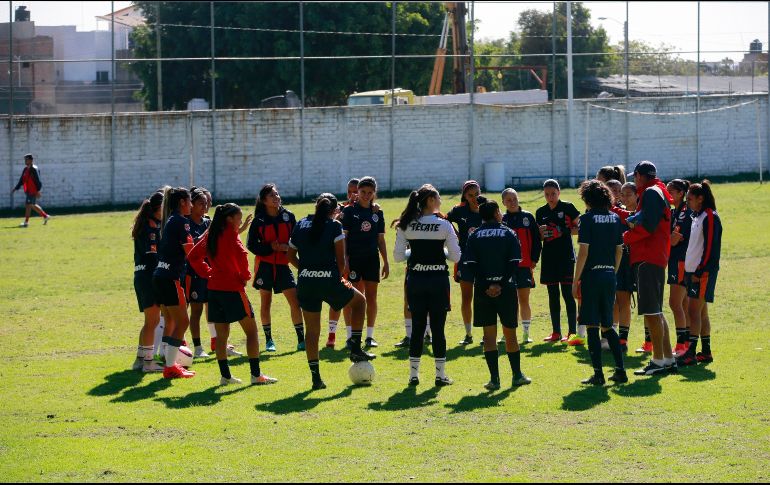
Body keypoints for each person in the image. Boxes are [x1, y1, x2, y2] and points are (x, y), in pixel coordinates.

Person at [288, 193, 375, 390]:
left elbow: (290, 255)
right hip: (329, 280)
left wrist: (305, 269)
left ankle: (316, 378)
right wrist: (336, 276)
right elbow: (342, 261)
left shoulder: (301, 224)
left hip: (306, 283)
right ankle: (355, 348)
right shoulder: (334, 226)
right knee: (360, 302)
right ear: (335, 210)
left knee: (312, 331)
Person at [187, 203, 278, 385]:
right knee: (252, 332)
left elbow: (192, 256)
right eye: (238, 218)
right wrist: (245, 276)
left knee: (221, 336)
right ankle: (256, 375)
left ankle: (225, 377)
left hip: (213, 290)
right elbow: (242, 255)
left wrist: (207, 272)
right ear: (229, 219)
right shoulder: (231, 235)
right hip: (233, 290)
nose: (240, 221)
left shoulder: (211, 233)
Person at [394, 184, 461, 387]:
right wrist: (441, 253)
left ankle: (413, 376)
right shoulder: (444, 225)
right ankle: (440, 376)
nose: (440, 201)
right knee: (438, 329)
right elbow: (456, 256)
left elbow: (398, 257)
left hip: (415, 281)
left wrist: (412, 254)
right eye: (438, 198)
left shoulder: (406, 225)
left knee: (417, 329)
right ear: (431, 201)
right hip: (438, 281)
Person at [465, 200, 532, 390]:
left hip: (483, 291)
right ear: (496, 213)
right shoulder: (508, 232)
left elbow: (471, 265)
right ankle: (517, 375)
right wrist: (500, 284)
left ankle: (494, 380)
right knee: (510, 333)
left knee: (488, 336)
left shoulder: (475, 235)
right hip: (507, 289)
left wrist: (488, 285)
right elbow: (514, 263)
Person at [623, 161, 677, 376]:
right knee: (657, 312)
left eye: (634, 176)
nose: (633, 180)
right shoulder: (658, 190)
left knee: (652, 313)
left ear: (639, 175)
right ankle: (666, 359)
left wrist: (626, 237)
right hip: (654, 256)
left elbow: (648, 226)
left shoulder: (651, 193)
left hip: (648, 256)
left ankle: (658, 360)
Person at [573, 180, 627, 385]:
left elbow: (584, 252)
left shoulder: (586, 220)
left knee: (592, 326)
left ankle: (598, 374)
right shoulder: (615, 218)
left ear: (587, 199)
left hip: (592, 277)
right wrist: (613, 271)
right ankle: (620, 371)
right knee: (608, 325)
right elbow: (619, 249)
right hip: (609, 276)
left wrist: (576, 279)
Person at [246, 184, 305, 353]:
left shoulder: (289, 216)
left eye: (277, 194)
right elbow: (251, 244)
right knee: (266, 303)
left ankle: (301, 340)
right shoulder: (259, 220)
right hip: (264, 266)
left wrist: (287, 248)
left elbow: (298, 239)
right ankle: (269, 340)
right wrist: (270, 247)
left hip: (283, 266)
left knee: (295, 302)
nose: (276, 197)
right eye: (272, 195)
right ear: (264, 201)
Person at [152, 187, 196, 379]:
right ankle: (170, 367)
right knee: (183, 321)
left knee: (170, 320)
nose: (192, 205)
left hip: (160, 275)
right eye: (190, 201)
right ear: (182, 203)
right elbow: (191, 252)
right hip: (171, 278)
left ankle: (168, 362)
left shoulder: (170, 221)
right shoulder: (180, 221)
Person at [341, 176, 389, 348]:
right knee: (352, 298)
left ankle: (369, 336)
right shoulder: (348, 211)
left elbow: (381, 240)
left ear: (374, 193)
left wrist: (386, 261)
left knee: (371, 297)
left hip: (371, 260)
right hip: (353, 260)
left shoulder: (377, 213)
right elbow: (344, 239)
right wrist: (345, 259)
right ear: (357, 192)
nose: (366, 195)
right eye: (363, 192)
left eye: (370, 192)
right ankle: (350, 337)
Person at [678, 181, 722, 366]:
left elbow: (711, 247)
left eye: (689, 198)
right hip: (692, 271)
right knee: (701, 312)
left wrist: (700, 270)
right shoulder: (697, 216)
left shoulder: (710, 217)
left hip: (701, 273)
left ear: (700, 198)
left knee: (693, 311)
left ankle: (691, 351)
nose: (687, 202)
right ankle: (705, 352)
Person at [535, 179, 581, 344]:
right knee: (552, 295)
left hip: (566, 257)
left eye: (553, 194)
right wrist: (541, 233)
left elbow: (579, 230)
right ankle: (555, 332)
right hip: (549, 258)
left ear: (559, 193)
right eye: (547, 194)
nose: (550, 197)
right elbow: (538, 237)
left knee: (568, 295)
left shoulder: (568, 207)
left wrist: (563, 230)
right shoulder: (540, 212)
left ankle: (572, 333)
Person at [447, 180, 487, 346]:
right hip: (465, 259)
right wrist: (454, 234)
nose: (474, 198)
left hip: (484, 259)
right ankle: (468, 333)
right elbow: (444, 220)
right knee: (466, 297)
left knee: (485, 297)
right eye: (470, 195)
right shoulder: (459, 210)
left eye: (476, 194)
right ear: (464, 195)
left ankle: (487, 333)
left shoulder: (487, 207)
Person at [501, 188, 542, 344]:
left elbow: (537, 241)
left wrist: (534, 259)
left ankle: (526, 333)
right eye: (509, 200)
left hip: (525, 266)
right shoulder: (502, 219)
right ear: (503, 202)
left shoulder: (528, 217)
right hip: (506, 268)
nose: (512, 202)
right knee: (508, 301)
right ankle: (507, 333)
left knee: (524, 300)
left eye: (515, 199)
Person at [130, 190, 165, 373]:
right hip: (149, 277)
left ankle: (139, 360)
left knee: (149, 322)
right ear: (157, 208)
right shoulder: (152, 227)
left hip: (140, 276)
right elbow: (152, 256)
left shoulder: (146, 224)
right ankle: (149, 363)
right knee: (152, 321)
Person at [326, 178, 358, 347]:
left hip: (358, 260)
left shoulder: (369, 210)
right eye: (350, 191)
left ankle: (352, 336)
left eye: (356, 191)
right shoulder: (341, 210)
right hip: (340, 260)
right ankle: (332, 335)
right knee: (338, 298)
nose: (353, 194)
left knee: (354, 300)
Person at [184, 187, 212, 359]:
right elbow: (192, 246)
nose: (205, 207)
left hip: (209, 271)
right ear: (191, 205)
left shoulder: (208, 222)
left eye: (206, 203)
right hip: (192, 273)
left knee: (214, 308)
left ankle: (218, 342)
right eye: (201, 203)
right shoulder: (186, 225)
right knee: (196, 311)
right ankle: (198, 347)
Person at [667, 179, 694, 357]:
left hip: (681, 260)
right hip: (676, 259)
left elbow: (674, 239)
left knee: (674, 303)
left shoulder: (685, 212)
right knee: (683, 304)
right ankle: (687, 344)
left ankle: (681, 345)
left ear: (680, 193)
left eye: (671, 191)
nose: (667, 195)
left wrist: (666, 239)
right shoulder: (674, 211)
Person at [11, 154, 50, 227]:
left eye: (27, 159)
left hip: (33, 190)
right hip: (28, 190)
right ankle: (45, 216)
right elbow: (21, 180)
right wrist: (16, 188)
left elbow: (38, 181)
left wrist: (38, 191)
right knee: (32, 205)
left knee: (28, 205)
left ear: (31, 160)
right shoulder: (25, 169)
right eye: (25, 160)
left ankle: (26, 223)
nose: (25, 161)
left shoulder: (34, 169)